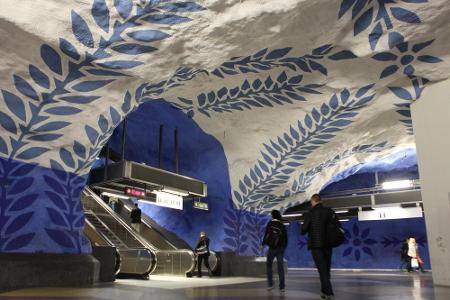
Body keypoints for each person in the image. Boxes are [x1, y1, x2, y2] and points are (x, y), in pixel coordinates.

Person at [301, 194, 337, 300]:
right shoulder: (330, 211)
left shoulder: (310, 213)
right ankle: (324, 292)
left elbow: (303, 230)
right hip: (328, 244)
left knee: (322, 270)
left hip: (316, 245)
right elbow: (337, 226)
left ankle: (330, 293)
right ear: (320, 201)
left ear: (313, 201)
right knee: (326, 269)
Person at [262, 210, 288, 292]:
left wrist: (263, 244)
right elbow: (285, 237)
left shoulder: (270, 224)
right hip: (280, 249)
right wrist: (284, 246)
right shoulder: (282, 225)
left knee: (269, 265)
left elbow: (266, 235)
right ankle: (282, 287)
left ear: (272, 216)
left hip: (272, 248)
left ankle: (270, 284)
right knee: (280, 268)